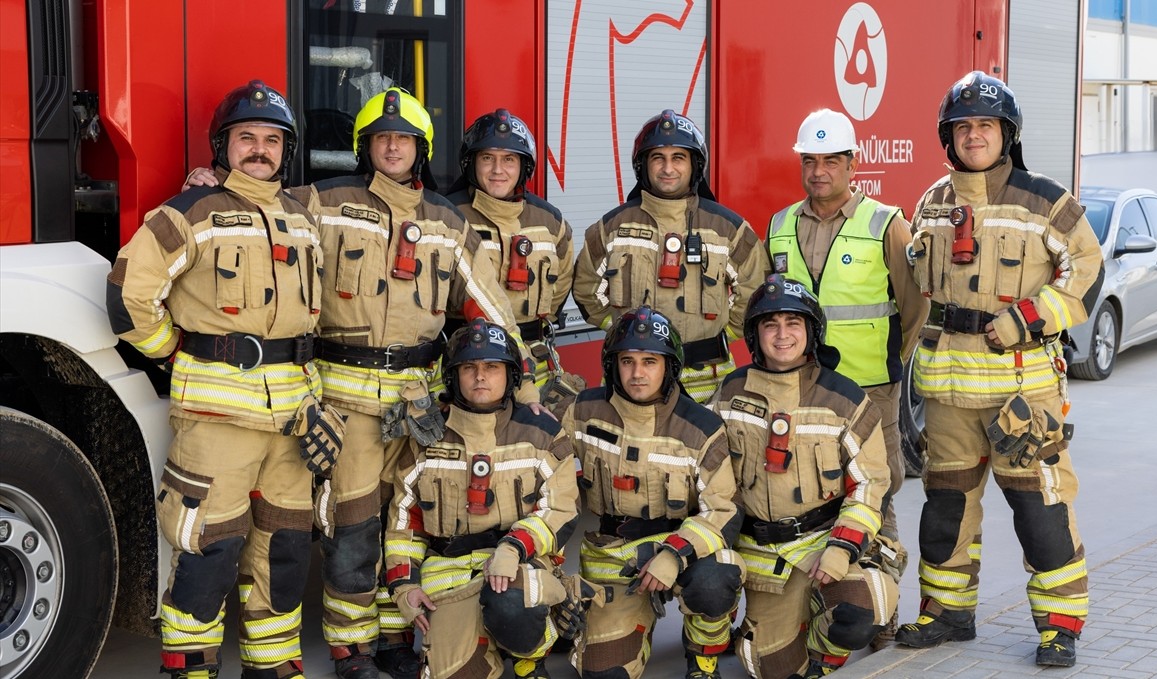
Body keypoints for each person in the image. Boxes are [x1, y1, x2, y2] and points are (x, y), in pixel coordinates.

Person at [188, 87, 547, 679]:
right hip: (345, 404)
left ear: (421, 149)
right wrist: (210, 179)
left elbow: (492, 308)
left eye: (404, 139)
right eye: (382, 139)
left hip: (420, 404)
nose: (393, 148)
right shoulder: (320, 202)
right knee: (351, 532)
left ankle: (399, 636)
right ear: (366, 147)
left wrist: (526, 392)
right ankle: (351, 650)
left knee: (411, 525)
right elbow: (255, 208)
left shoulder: (447, 221)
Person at [108, 80, 329, 679]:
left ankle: (273, 666)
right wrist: (175, 351)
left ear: (286, 150)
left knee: (283, 556)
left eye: (271, 140)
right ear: (222, 146)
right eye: (246, 138)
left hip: (293, 422)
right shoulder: (190, 212)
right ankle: (190, 670)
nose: (259, 150)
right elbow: (129, 295)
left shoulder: (305, 217)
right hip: (216, 423)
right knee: (209, 552)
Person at [895, 71, 1102, 667]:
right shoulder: (933, 202)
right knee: (945, 511)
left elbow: (1087, 271)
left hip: (1022, 391)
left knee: (1040, 510)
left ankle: (1060, 625)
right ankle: (947, 613)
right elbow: (921, 290)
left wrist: (1031, 317)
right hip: (947, 394)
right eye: (962, 126)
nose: (974, 136)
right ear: (948, 136)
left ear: (1006, 133)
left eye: (985, 125)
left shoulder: (1046, 200)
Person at [764, 108, 927, 642]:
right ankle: (820, 597)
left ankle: (882, 609)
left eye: (830, 160)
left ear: (852, 163)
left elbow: (912, 306)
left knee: (875, 494)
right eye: (809, 160)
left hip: (867, 389)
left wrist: (888, 366)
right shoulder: (780, 225)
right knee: (810, 488)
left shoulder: (886, 223)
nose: (818, 171)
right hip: (800, 388)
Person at [714, 275, 898, 678]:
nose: (782, 335)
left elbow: (871, 484)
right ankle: (790, 625)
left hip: (823, 542)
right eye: (770, 324)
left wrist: (842, 548)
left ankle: (824, 656)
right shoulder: (729, 393)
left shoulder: (845, 398)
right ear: (755, 334)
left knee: (862, 608)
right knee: (772, 668)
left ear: (811, 331)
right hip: (761, 554)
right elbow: (710, 480)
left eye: (793, 323)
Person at [383, 320, 579, 679]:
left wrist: (514, 548)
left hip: (517, 567)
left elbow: (561, 509)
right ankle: (488, 640)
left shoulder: (541, 432)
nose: (480, 377)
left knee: (512, 604)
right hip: (450, 577)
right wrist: (404, 586)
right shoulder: (428, 437)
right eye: (469, 368)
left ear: (510, 375)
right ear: (453, 376)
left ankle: (530, 657)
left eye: (492, 367)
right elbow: (404, 521)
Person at [562, 306, 745, 679]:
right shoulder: (583, 411)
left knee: (716, 578)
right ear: (613, 365)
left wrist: (675, 555)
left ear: (669, 367)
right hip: (614, 555)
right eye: (627, 361)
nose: (637, 373)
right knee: (603, 673)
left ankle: (703, 657)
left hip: (683, 547)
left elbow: (722, 509)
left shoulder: (702, 426)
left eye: (650, 361)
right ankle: (631, 624)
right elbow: (551, 486)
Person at [573, 110, 771, 404]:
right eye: (658, 158)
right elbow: (585, 288)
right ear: (643, 165)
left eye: (678, 157)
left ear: (694, 165)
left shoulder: (729, 228)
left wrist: (719, 335)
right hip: (632, 379)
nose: (668, 168)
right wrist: (620, 330)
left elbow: (756, 290)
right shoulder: (612, 227)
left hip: (707, 381)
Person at [444, 109, 582, 413]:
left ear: (524, 166)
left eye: (509, 159)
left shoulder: (550, 222)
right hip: (468, 368)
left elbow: (560, 290)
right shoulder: (448, 217)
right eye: (487, 158)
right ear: (471, 163)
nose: (498, 170)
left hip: (538, 369)